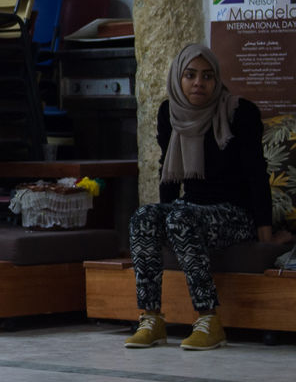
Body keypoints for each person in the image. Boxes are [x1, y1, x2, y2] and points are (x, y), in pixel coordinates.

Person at [124, 43, 290, 350]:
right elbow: (168, 173)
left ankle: (209, 320)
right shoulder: (170, 113)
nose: (199, 82)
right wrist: (161, 221)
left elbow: (256, 175)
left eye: (207, 76)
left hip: (235, 213)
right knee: (143, 216)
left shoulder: (239, 112)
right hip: (191, 209)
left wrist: (264, 235)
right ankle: (151, 318)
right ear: (178, 78)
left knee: (180, 218)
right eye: (190, 75)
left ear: (216, 80)